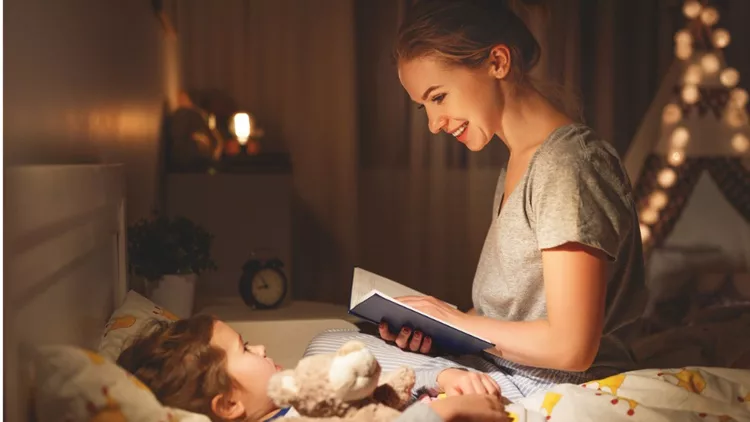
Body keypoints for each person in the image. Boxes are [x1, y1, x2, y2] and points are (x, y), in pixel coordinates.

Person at [305, 0, 647, 402]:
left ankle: (444, 378)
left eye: (439, 97)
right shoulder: (519, 164)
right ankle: (443, 373)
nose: (434, 124)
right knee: (330, 343)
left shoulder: (569, 165)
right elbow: (505, 322)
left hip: (552, 381)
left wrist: (449, 320)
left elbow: (571, 347)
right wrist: (432, 331)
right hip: (501, 366)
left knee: (331, 357)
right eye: (424, 107)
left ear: (497, 61)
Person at [117, 314, 510, 422]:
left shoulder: (299, 399)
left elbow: (372, 389)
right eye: (245, 349)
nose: (261, 346)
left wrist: (438, 383)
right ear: (229, 405)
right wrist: (442, 411)